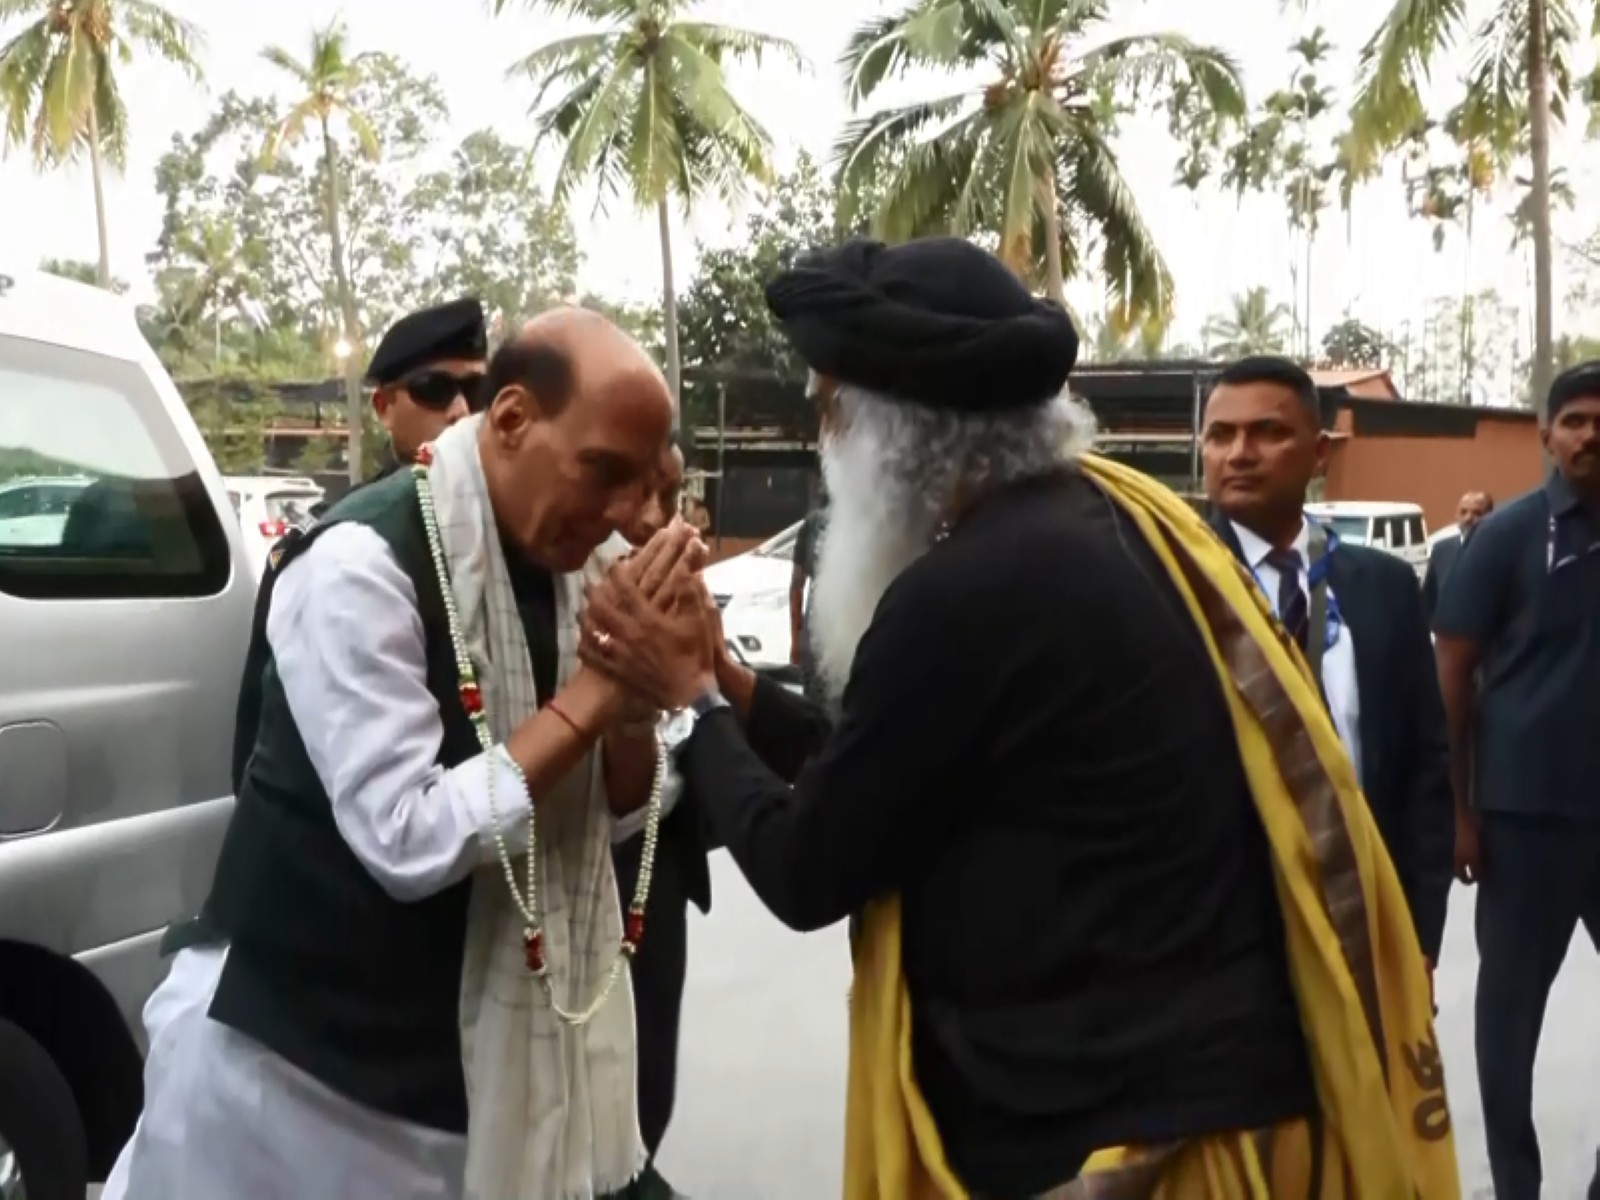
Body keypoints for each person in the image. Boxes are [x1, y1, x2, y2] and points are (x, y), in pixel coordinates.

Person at [577, 236, 1458, 1199]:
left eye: (832, 414)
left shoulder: (963, 593)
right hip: (1187, 1098)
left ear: (897, 433)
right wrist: (735, 691)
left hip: (1130, 1138)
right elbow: (884, 773)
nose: (827, 445)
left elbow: (808, 867)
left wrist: (688, 700)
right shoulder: (1098, 525)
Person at [105, 307, 684, 1200]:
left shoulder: (581, 572)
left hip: (471, 1085)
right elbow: (406, 838)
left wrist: (638, 710)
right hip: (306, 1081)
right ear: (512, 420)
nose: (623, 512)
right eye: (603, 472)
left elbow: (609, 822)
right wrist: (598, 695)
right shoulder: (358, 565)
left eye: (646, 486)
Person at [1201, 355, 1455, 986]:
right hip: (1216, 940)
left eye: (1267, 432)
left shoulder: (1384, 588)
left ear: (1319, 453)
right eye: (1221, 435)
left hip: (1358, 920)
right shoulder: (1167, 577)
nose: (1239, 452)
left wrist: (1420, 934)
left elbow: (1426, 769)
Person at [1433, 362, 1600, 1200]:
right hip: (1521, 822)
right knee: (1507, 1025)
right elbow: (1452, 678)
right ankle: (1517, 1187)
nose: (1589, 435)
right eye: (1573, 420)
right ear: (1546, 435)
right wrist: (1460, 813)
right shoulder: (1504, 539)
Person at [232, 298, 491, 793]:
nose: (461, 411)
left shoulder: (520, 535)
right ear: (383, 408)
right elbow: (259, 750)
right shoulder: (338, 544)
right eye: (434, 390)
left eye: (477, 390)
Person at [606, 439, 706, 1200]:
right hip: (577, 876)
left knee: (648, 1084)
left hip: (655, 867)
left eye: (670, 495)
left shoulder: (678, 581)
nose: (657, 519)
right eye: (637, 491)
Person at [1421, 489, 1494, 622]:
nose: (1468, 518)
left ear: (1490, 516)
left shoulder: (1501, 550)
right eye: (1463, 512)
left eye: (1477, 513)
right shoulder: (1441, 550)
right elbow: (1428, 602)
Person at [788, 484, 825, 697]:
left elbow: (796, 585)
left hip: (813, 636)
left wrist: (795, 641)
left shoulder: (810, 525)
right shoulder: (860, 523)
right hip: (832, 637)